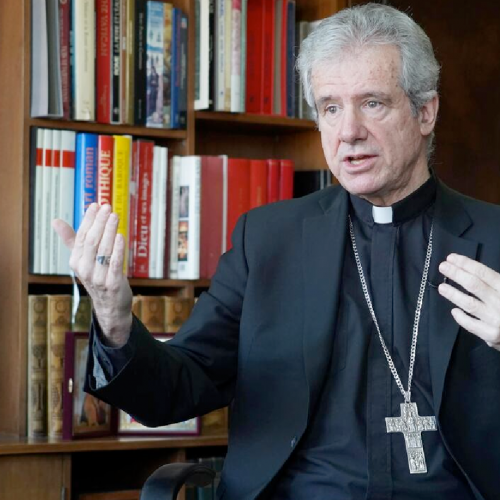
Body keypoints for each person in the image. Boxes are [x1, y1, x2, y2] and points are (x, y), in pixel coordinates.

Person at [53, 4, 500, 499]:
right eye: (330, 108)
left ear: (425, 112)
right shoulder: (267, 240)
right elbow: (175, 390)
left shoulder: (495, 239)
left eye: (372, 103)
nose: (348, 131)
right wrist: (115, 323)